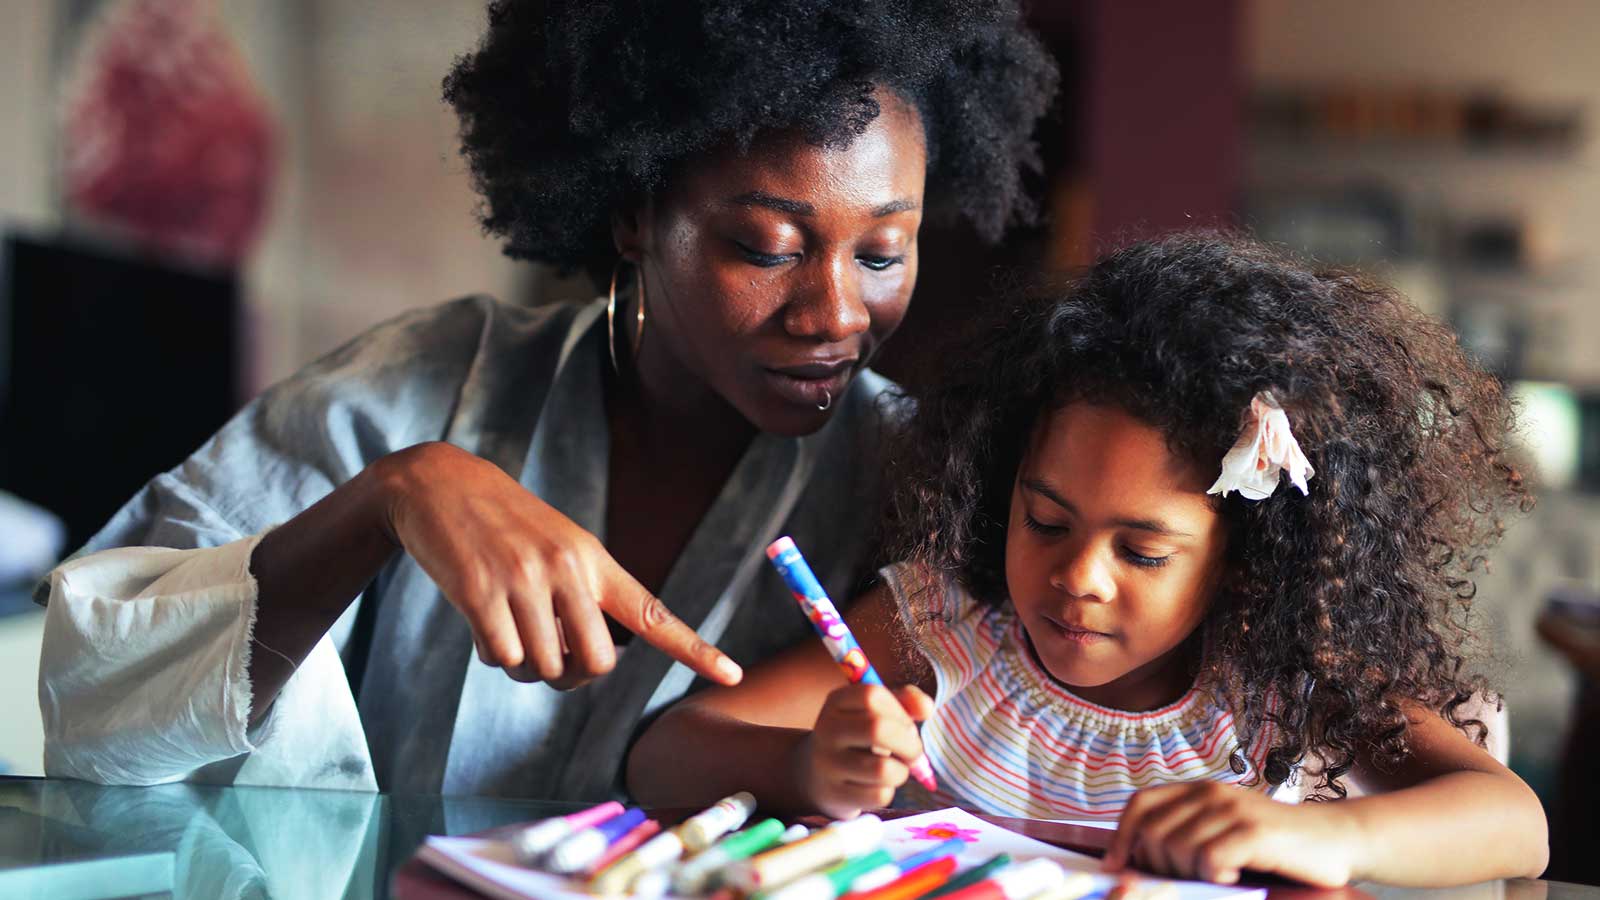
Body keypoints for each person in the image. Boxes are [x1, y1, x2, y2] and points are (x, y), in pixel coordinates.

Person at [37, 0, 1057, 800]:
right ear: (630, 212)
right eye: (766, 247)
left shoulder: (926, 485)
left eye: (884, 251)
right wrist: (390, 500)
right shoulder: (427, 387)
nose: (836, 311)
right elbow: (95, 703)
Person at [629, 233, 1550, 887]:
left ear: (1242, 559)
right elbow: (663, 759)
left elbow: (1518, 825)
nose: (1078, 578)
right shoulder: (950, 628)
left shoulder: (1281, 679)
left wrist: (1333, 837)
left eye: (1143, 553)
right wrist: (807, 771)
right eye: (1045, 521)